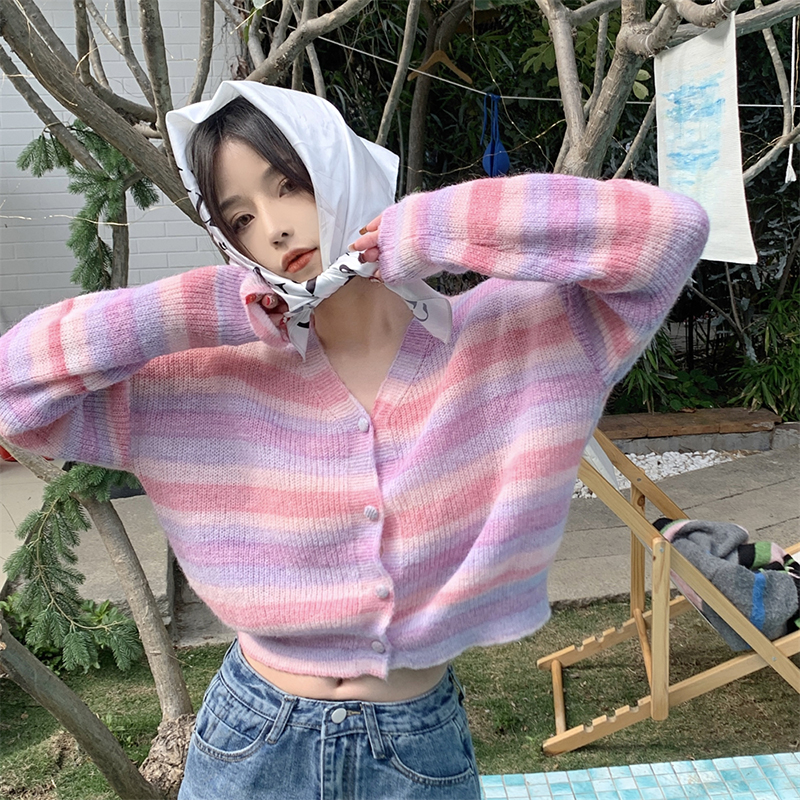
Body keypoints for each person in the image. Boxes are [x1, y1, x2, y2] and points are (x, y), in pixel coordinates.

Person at [0, 81, 709, 799]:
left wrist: (430, 230)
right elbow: (14, 392)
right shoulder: (199, 380)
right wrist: (203, 306)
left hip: (417, 744)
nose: (274, 228)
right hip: (251, 738)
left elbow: (668, 233)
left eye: (289, 185)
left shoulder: (522, 337)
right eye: (240, 217)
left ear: (341, 167)